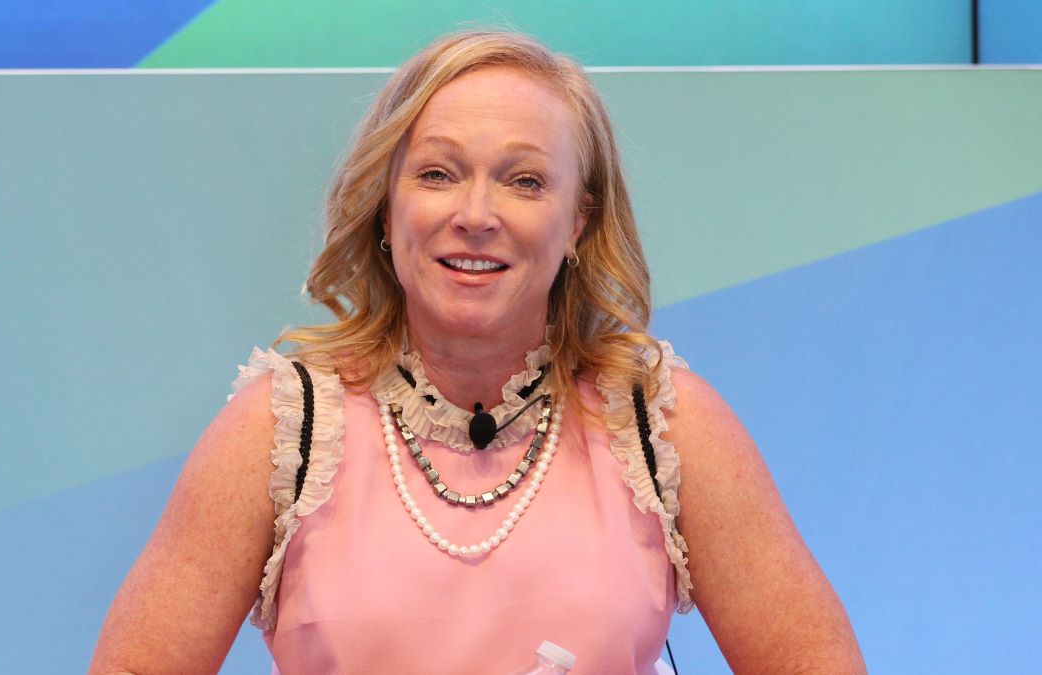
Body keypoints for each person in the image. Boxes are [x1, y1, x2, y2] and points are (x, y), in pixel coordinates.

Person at [89, 30, 865, 674]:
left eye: (524, 181)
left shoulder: (660, 419)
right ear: (386, 207)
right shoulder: (281, 427)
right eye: (437, 173)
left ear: (578, 222)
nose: (475, 214)